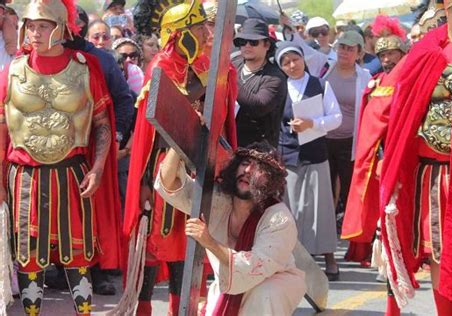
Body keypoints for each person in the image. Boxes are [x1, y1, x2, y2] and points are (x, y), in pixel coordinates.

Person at [0, 0, 121, 314]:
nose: (35, 33)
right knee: (28, 255)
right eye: (30, 26)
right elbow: (1, 129)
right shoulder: (11, 71)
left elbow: (102, 124)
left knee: (77, 253)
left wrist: (96, 168)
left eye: (43, 26)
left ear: (60, 28)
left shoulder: (86, 67)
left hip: (72, 174)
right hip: (24, 176)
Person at [124, 1, 237, 314]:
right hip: (164, 167)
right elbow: (148, 136)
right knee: (154, 246)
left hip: (198, 166)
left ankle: (182, 310)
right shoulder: (160, 67)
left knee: (189, 245)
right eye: (198, 27)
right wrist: (146, 183)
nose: (204, 32)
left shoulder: (205, 65)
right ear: (179, 33)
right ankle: (144, 310)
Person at [378, 1, 452, 315]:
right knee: (441, 252)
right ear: (449, 11)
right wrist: (388, 160)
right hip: (436, 176)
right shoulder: (428, 51)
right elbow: (398, 114)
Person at [156, 141, 306, 315]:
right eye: (244, 163)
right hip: (231, 285)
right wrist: (177, 144)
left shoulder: (279, 218)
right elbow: (169, 184)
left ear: (270, 180)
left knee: (265, 295)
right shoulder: (217, 201)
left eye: (258, 168)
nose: (248, 171)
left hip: (275, 281)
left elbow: (254, 265)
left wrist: (210, 242)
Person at [342, 15, 407, 305]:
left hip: (405, 160)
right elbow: (368, 128)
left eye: (392, 53)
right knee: (383, 221)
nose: (387, 59)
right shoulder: (375, 83)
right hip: (379, 162)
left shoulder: (410, 80)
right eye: (382, 54)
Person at [275, 42, 342, 280]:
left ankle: (330, 259)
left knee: (321, 207)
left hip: (315, 153)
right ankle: (297, 261)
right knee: (292, 210)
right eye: (285, 62)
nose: (291, 65)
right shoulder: (278, 87)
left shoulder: (321, 84)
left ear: (303, 59)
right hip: (289, 154)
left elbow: (336, 118)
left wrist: (312, 124)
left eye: (295, 59)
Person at [321, 30, 371, 228]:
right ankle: (328, 225)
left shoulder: (365, 78)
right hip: (324, 138)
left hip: (350, 141)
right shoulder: (324, 69)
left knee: (349, 185)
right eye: (342, 47)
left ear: (359, 53)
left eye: (350, 49)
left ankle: (350, 224)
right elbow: (302, 50)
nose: (344, 52)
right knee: (327, 184)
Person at [233, 18, 287, 148]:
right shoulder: (234, 64)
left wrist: (228, 78)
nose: (247, 46)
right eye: (242, 41)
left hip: (258, 153)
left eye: (253, 42)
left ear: (267, 45)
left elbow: (259, 106)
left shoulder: (276, 77)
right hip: (228, 144)